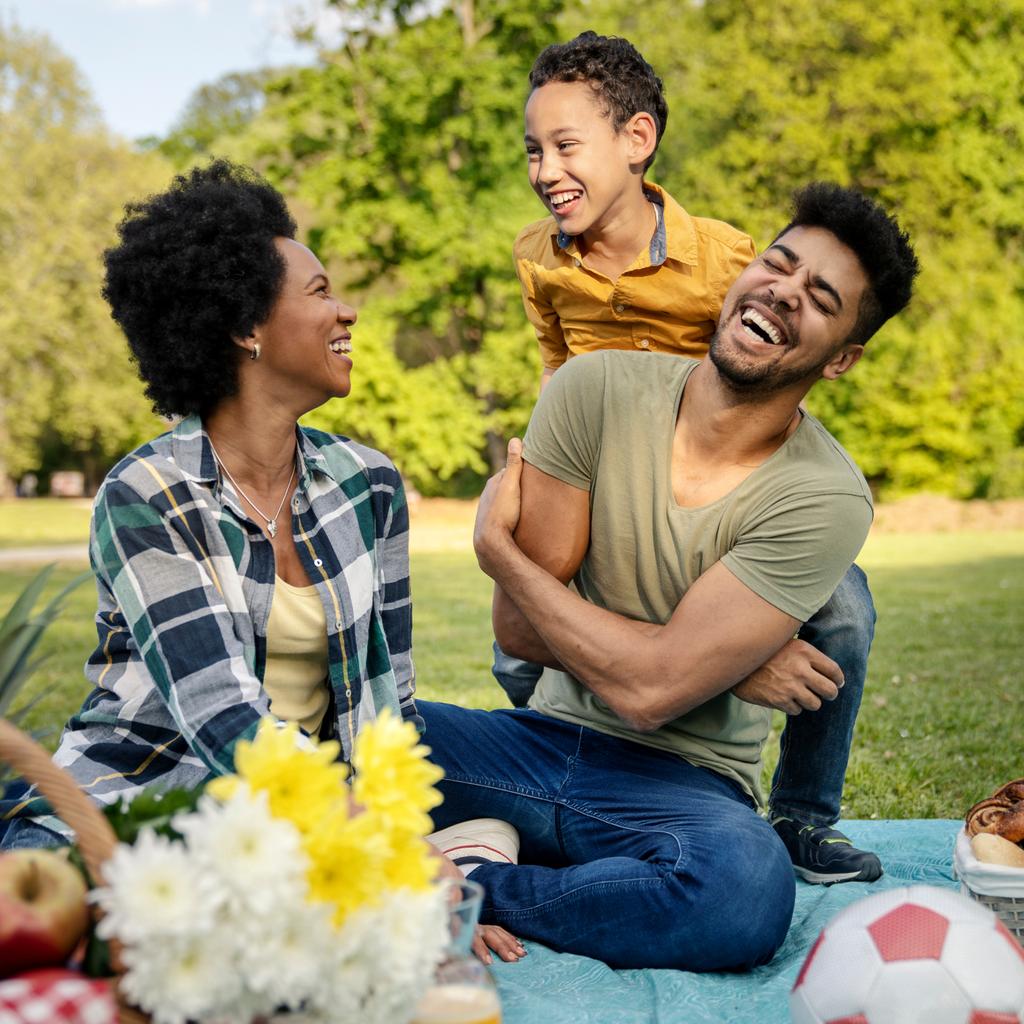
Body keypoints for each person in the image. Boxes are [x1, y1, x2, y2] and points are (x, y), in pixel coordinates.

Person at [0, 161, 498, 959]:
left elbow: (390, 709)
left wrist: (407, 865)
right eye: (321, 291)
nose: (348, 310)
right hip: (136, 810)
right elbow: (221, 715)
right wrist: (384, 854)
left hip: (287, 828)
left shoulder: (369, 484)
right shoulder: (147, 492)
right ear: (246, 328)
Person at [423, 183, 919, 970]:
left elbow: (648, 695)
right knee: (323, 742)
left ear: (841, 358)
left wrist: (503, 557)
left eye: (821, 298)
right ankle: (525, 862)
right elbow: (517, 630)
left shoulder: (824, 496)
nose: (783, 292)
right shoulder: (592, 390)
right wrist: (716, 663)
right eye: (778, 264)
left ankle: (470, 881)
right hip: (535, 744)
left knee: (744, 888)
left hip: (683, 788)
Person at [497, 31, 882, 884]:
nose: (546, 169)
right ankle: (573, 768)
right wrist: (540, 464)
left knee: (848, 615)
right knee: (515, 643)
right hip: (602, 470)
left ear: (637, 140)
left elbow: (767, 373)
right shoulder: (537, 256)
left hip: (705, 476)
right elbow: (556, 360)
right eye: (533, 150)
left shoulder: (726, 256)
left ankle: (804, 814)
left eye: (566, 146)